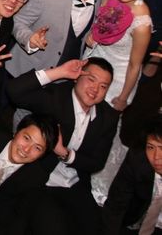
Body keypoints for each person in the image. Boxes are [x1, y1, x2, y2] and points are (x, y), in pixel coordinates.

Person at [7, 57, 120, 235]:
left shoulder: (108, 117)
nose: (95, 89)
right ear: (77, 77)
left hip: (76, 183)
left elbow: (97, 163)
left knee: (95, 228)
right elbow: (14, 90)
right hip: (41, 180)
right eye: (91, 79)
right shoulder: (56, 97)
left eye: (103, 86)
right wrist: (59, 72)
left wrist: (65, 153)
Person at [84, 0, 155, 205]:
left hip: (119, 79)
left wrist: (123, 97)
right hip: (93, 62)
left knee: (103, 130)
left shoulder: (142, 21)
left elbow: (136, 65)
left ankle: (98, 182)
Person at [101, 115, 162, 234]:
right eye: (150, 147)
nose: (156, 157)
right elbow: (115, 206)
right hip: (134, 222)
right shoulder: (137, 161)